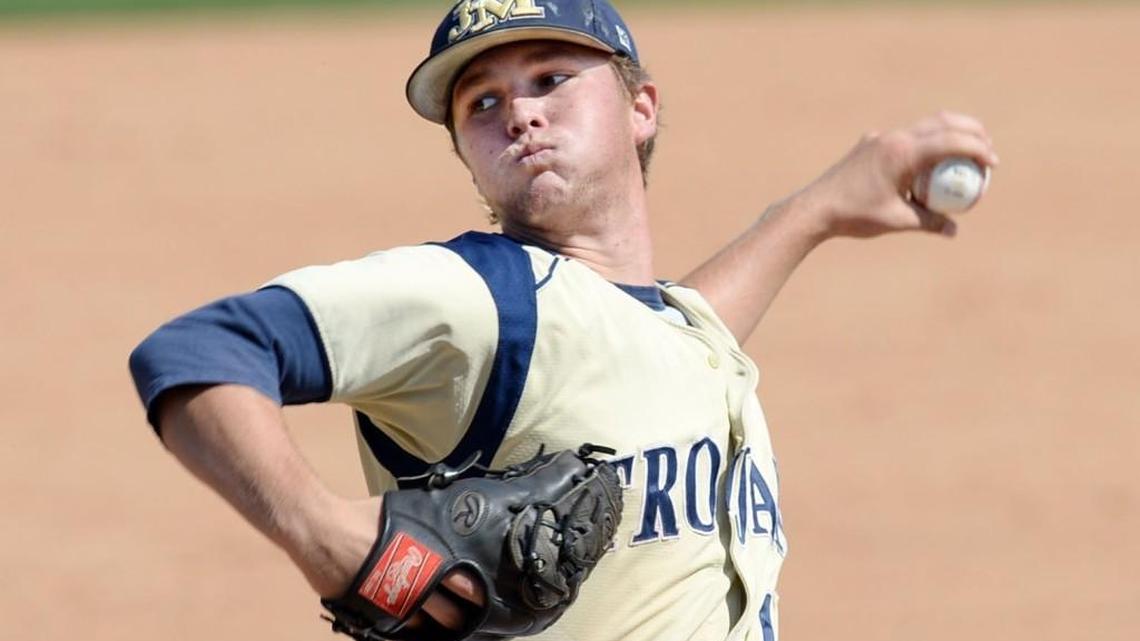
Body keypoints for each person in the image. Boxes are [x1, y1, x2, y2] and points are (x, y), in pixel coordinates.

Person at [128, 1, 998, 639]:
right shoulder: (473, 296)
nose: (521, 113)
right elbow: (199, 350)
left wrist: (815, 211)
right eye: (484, 104)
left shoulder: (670, 337)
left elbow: (663, 336)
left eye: (550, 80)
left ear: (641, 107)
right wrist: (326, 538)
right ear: (465, 151)